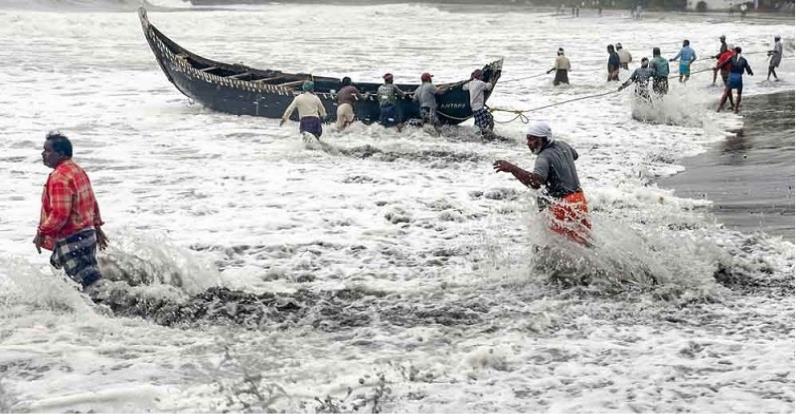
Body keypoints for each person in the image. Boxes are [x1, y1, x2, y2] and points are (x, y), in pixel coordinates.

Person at [34, 132, 109, 297]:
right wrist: (97, 227)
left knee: (90, 286)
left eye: (47, 151)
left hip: (72, 238)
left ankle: (108, 310)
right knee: (58, 265)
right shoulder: (77, 170)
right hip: (87, 235)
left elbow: (60, 214)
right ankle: (74, 306)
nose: (43, 154)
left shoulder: (59, 177)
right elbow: (91, 200)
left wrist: (42, 231)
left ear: (61, 154)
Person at [492, 121, 591, 246]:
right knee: (584, 244)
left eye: (533, 140)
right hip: (579, 201)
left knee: (555, 248)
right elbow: (574, 155)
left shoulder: (543, 157)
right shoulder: (563, 145)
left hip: (562, 207)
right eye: (528, 139)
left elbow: (536, 182)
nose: (529, 143)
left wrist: (512, 168)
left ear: (545, 139)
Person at [716, 46, 753, 114]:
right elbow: (748, 69)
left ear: (735, 51)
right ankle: (736, 109)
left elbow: (723, 63)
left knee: (726, 91)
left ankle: (719, 108)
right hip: (739, 77)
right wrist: (750, 72)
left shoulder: (731, 58)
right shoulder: (744, 60)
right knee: (739, 94)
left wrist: (716, 68)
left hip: (731, 76)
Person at [462, 69, 495, 138]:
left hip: (474, 108)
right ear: (479, 76)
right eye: (482, 75)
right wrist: (491, 80)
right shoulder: (480, 83)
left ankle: (478, 134)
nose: (483, 77)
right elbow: (489, 87)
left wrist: (470, 79)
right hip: (478, 107)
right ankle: (487, 134)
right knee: (490, 119)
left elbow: (463, 87)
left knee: (478, 123)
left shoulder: (470, 83)